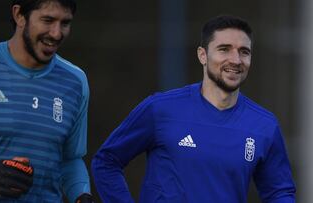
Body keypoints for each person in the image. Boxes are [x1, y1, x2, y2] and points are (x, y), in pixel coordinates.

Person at [91, 15, 296, 202]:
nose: (235, 60)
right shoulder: (160, 109)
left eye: (244, 52)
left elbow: (279, 192)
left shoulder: (264, 125)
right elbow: (106, 162)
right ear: (202, 55)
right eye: (224, 49)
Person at [0, 0, 94, 202]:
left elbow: (70, 160)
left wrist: (81, 195)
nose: (56, 33)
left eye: (65, 23)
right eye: (48, 20)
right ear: (19, 15)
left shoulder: (76, 81)